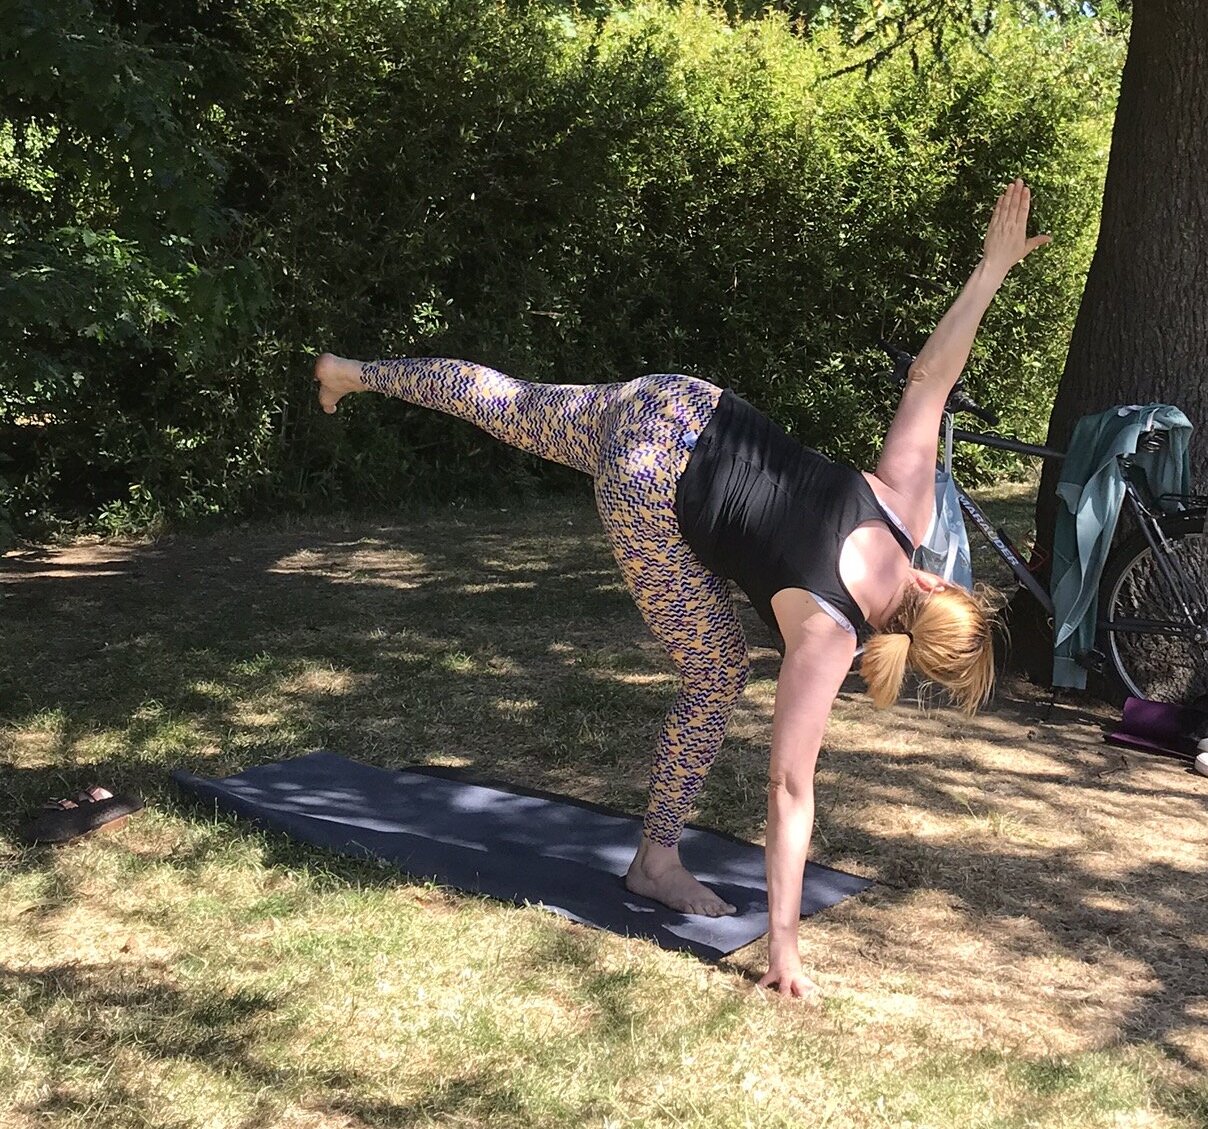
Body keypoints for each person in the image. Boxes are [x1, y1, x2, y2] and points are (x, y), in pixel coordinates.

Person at [314, 180, 1049, 998]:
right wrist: (784, 948)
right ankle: (654, 861)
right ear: (910, 656)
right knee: (716, 672)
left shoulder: (903, 507)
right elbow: (788, 789)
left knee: (512, 402)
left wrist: (989, 273)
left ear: (940, 579)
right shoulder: (829, 639)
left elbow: (928, 380)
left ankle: (353, 372)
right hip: (648, 488)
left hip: (678, 404)